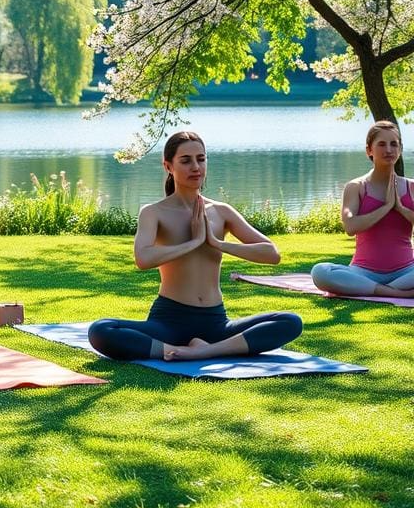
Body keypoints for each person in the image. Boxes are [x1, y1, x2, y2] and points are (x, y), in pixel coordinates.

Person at [88, 131, 302, 361]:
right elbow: (143, 258)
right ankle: (170, 349)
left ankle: (202, 351)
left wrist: (217, 243)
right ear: (168, 166)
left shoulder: (221, 211)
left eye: (201, 159)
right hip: (169, 322)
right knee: (101, 330)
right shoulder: (154, 212)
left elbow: (272, 254)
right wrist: (193, 243)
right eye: (186, 160)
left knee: (290, 322)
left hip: (215, 322)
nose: (195, 167)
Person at [311, 120, 414, 297]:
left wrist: (400, 208)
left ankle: (375, 289)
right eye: (381, 144)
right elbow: (350, 227)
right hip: (363, 272)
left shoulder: (411, 187)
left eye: (393, 144)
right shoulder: (356, 187)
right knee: (320, 272)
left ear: (400, 149)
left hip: (406, 272)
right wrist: (386, 207)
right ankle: (395, 293)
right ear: (369, 150)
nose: (388, 150)